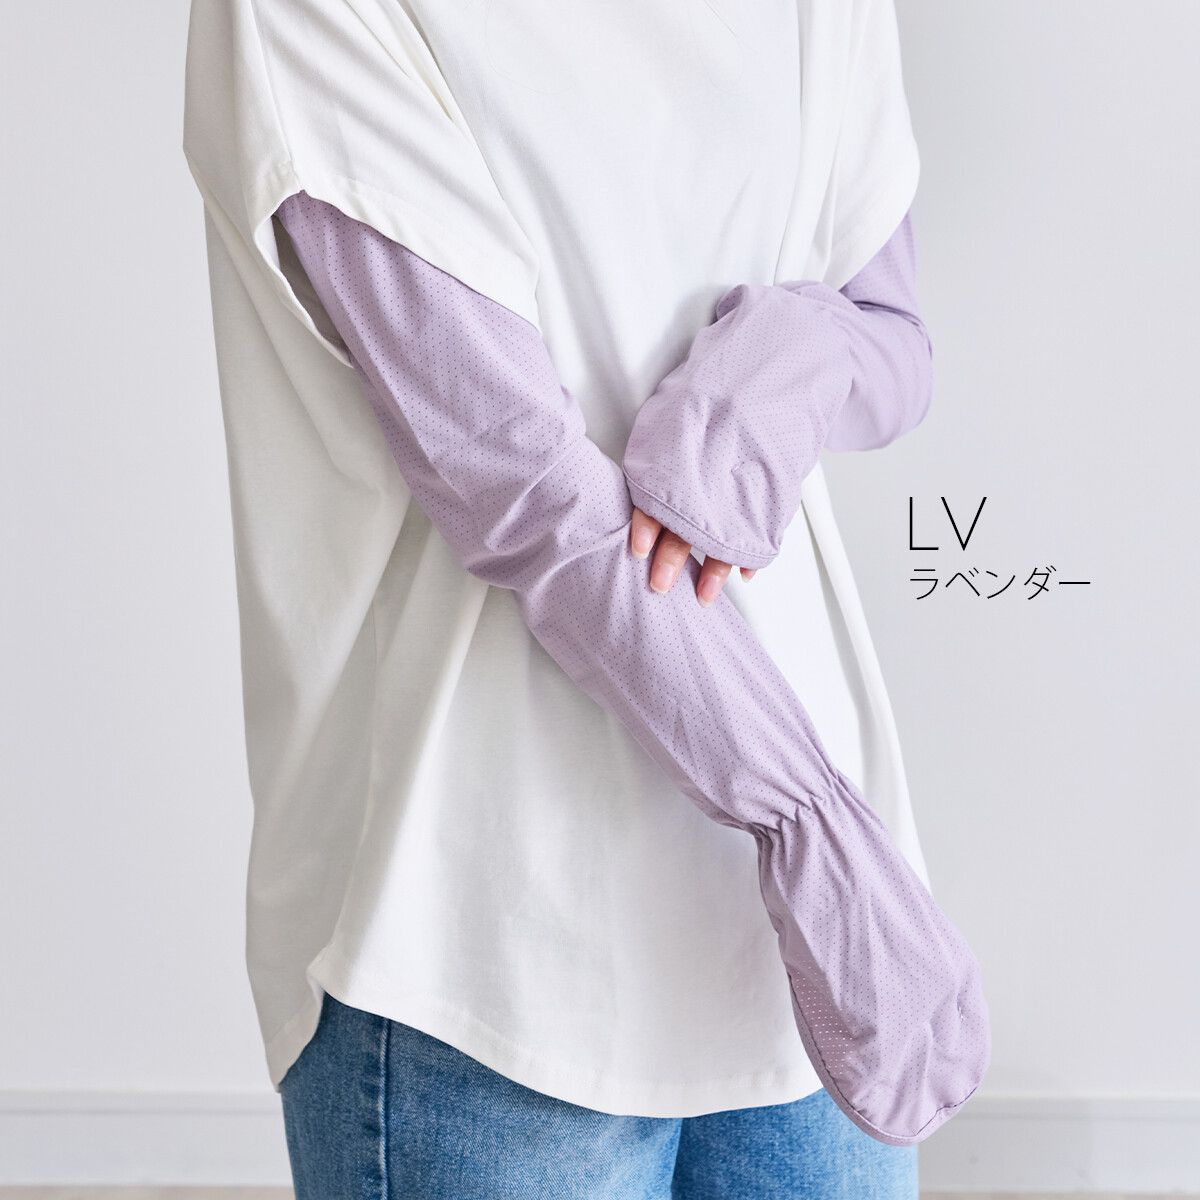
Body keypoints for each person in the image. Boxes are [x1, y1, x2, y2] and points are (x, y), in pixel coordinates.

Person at [182, 0, 987, 1193]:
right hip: (488, 938)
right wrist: (809, 823)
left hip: (807, 958)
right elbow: (518, 484)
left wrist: (796, 356)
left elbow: (894, 335)